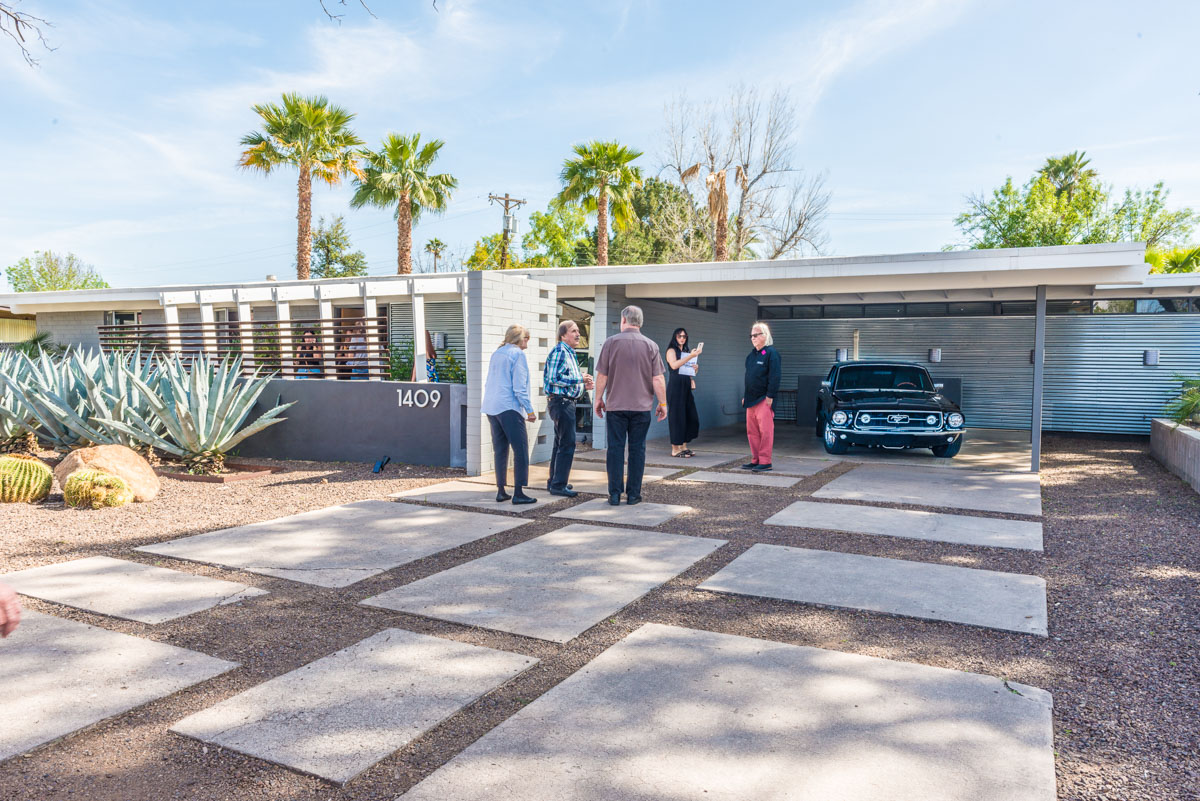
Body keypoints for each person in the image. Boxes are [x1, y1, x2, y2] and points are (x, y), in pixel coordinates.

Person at [593, 305, 668, 506]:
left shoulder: (610, 343)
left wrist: (598, 399)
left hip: (616, 407)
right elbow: (658, 379)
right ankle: (633, 495)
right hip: (641, 408)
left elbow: (602, 375)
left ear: (624, 320)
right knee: (637, 450)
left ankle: (614, 494)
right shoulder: (651, 346)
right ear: (640, 322)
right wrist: (663, 403)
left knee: (615, 449)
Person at [482, 324, 538, 505]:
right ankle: (519, 492)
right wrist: (529, 410)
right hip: (509, 408)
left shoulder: (497, 353)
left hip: (492, 407)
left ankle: (501, 490)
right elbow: (519, 388)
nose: (527, 342)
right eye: (526, 338)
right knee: (521, 450)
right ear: (520, 339)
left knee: (500, 450)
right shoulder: (517, 354)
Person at [543, 319, 594, 497]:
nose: (578, 334)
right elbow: (553, 378)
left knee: (560, 443)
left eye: (578, 331)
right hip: (561, 403)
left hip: (565, 402)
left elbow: (565, 379)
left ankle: (555, 481)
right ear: (563, 335)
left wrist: (582, 387)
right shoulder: (560, 351)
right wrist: (580, 379)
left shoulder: (569, 352)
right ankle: (558, 485)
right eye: (573, 331)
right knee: (567, 444)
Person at [742, 321, 781, 471]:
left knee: (765, 431)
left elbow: (775, 376)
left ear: (765, 336)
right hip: (750, 400)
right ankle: (756, 459)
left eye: (756, 335)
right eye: (751, 335)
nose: (753, 338)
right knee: (752, 432)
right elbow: (748, 378)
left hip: (764, 399)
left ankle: (765, 461)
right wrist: (745, 396)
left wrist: (770, 396)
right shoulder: (751, 356)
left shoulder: (771, 354)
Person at [663, 327, 702, 457]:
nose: (682, 339)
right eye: (679, 336)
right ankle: (675, 448)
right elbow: (674, 365)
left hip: (685, 385)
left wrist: (695, 369)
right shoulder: (671, 350)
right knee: (677, 418)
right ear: (675, 337)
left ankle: (684, 446)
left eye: (684, 336)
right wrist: (691, 356)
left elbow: (689, 370)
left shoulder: (686, 351)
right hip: (675, 387)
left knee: (690, 416)